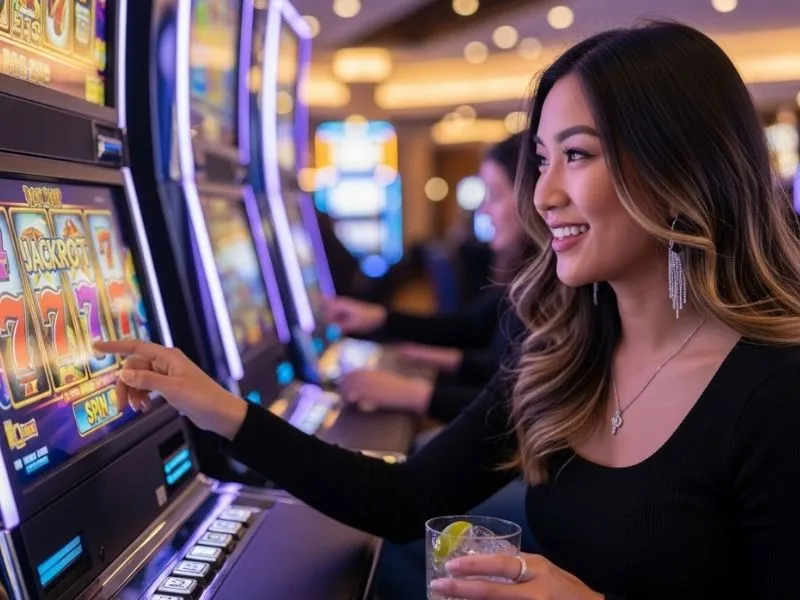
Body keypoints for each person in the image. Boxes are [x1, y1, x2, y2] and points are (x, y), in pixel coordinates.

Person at [99, 21, 800, 600]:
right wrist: (218, 406)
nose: (541, 196)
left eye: (578, 156)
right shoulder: (564, 351)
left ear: (680, 169)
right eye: (542, 159)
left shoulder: (775, 392)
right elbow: (403, 500)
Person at [330, 133, 530, 421]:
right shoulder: (528, 281)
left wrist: (412, 392)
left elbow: (520, 409)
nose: (484, 210)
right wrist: (438, 357)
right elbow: (485, 343)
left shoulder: (556, 289)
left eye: (495, 195)